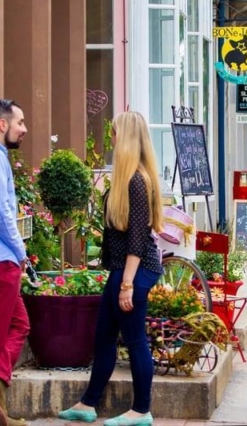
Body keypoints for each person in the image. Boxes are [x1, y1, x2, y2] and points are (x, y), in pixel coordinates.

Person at [59, 111, 164, 426]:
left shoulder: (137, 181)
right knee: (104, 335)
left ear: (126, 138)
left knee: (134, 340)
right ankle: (87, 404)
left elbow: (137, 239)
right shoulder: (127, 179)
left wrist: (127, 285)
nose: (112, 138)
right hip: (123, 268)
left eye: (115, 132)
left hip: (134, 270)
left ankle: (141, 411)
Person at [0, 99, 30, 426]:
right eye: (19, 122)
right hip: (4, 262)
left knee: (20, 324)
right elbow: (3, 213)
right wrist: (22, 253)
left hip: (6, 259)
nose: (24, 129)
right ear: (2, 124)